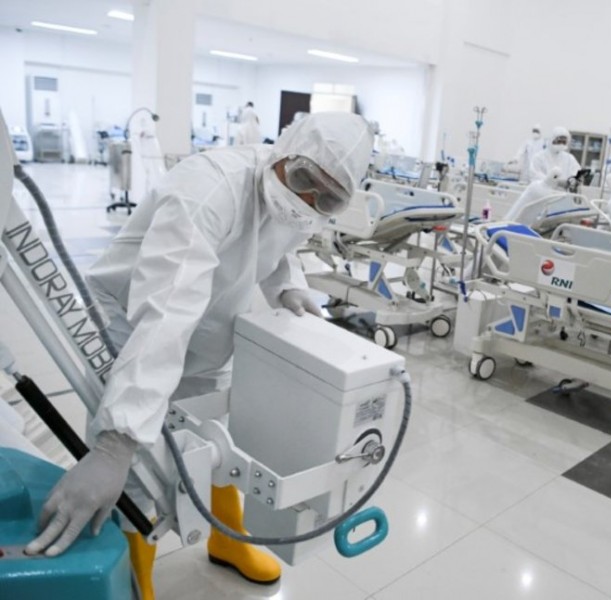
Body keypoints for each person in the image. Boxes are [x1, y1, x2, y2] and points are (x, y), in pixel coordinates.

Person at [24, 112, 374, 598]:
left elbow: (279, 243)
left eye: (328, 198)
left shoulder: (296, 200)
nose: (309, 200)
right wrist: (114, 445)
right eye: (303, 180)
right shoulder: (208, 189)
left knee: (215, 441)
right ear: (284, 151)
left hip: (212, 320)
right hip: (133, 317)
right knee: (138, 460)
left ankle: (226, 539)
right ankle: (135, 572)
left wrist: (287, 286)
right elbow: (166, 314)